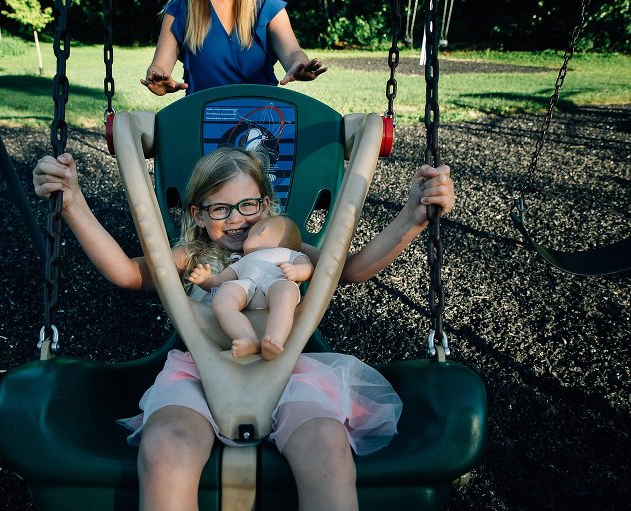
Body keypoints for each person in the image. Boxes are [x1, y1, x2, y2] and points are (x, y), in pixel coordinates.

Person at [32, 145, 455, 510]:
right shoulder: (191, 257)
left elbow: (351, 268)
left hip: (287, 371)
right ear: (197, 214)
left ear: (266, 205)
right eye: (220, 208)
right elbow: (126, 272)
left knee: (327, 445)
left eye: (248, 205)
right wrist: (73, 204)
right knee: (165, 446)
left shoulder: (286, 250)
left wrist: (412, 217)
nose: (237, 219)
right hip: (200, 371)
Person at [188, 215, 313, 359]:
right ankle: (246, 337)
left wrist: (297, 271)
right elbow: (220, 281)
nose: (244, 241)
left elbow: (308, 267)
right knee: (223, 296)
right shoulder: (242, 260)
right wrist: (205, 280)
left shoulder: (290, 254)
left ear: (263, 230)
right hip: (247, 286)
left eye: (249, 236)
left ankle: (275, 339)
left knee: (286, 293)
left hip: (277, 282)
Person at [141, 0, 327, 96]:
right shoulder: (181, 7)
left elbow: (292, 52)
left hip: (260, 120)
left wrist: (298, 64)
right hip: (203, 119)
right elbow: (160, 65)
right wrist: (156, 76)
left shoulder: (266, 4)